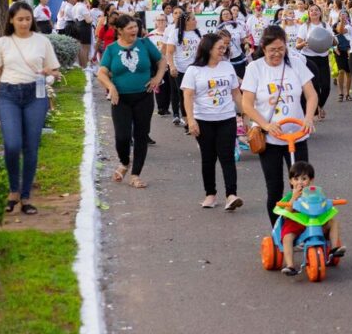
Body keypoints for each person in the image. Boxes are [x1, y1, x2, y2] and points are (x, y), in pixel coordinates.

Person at [0, 3, 60, 215]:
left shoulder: (42, 41)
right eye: (20, 19)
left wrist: (48, 73)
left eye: (28, 19)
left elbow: (55, 72)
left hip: (36, 95)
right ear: (11, 20)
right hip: (8, 96)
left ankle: (25, 197)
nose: (25, 23)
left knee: (31, 146)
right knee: (13, 144)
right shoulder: (2, 43)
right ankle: (13, 190)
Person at [242, 25, 318, 225]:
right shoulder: (255, 68)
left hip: (297, 135)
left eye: (281, 49)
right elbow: (246, 104)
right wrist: (265, 125)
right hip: (271, 140)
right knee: (274, 187)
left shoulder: (295, 64)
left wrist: (308, 118)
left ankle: (301, 228)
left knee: (301, 186)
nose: (277, 54)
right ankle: (279, 230)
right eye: (272, 50)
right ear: (263, 48)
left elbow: (311, 95)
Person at [96, 14, 166, 189]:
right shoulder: (111, 49)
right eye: (130, 28)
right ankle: (124, 162)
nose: (134, 30)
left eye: (135, 27)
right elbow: (101, 73)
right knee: (122, 136)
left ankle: (135, 174)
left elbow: (161, 60)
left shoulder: (144, 44)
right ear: (119, 31)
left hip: (144, 96)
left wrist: (157, 77)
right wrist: (111, 87)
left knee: (141, 136)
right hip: (120, 99)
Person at [182, 33, 244, 211]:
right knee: (208, 158)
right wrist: (191, 120)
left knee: (227, 157)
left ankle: (231, 195)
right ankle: (210, 194)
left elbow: (236, 94)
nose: (223, 51)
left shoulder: (227, 67)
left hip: (227, 118)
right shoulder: (194, 70)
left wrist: (245, 114)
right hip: (203, 120)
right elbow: (188, 96)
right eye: (219, 48)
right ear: (208, 49)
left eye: (224, 47)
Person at [273, 161, 344, 276]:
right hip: (295, 222)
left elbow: (323, 204)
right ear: (291, 181)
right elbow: (285, 214)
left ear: (311, 181)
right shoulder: (290, 196)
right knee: (287, 237)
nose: (300, 182)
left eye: (304, 178)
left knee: (332, 221)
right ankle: (290, 265)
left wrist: (329, 203)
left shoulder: (315, 195)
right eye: (296, 179)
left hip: (314, 221)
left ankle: (334, 249)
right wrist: (293, 199)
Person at [296, 4, 333, 120]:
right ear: (308, 13)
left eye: (316, 10)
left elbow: (333, 41)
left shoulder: (325, 26)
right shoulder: (304, 27)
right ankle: (315, 111)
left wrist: (333, 41)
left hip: (323, 57)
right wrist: (304, 43)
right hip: (309, 58)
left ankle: (319, 106)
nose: (314, 12)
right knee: (315, 86)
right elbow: (297, 46)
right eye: (311, 10)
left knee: (326, 86)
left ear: (320, 13)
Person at [145, 13, 173, 116]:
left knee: (169, 87)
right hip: (157, 64)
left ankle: (166, 107)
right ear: (155, 22)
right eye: (159, 20)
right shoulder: (151, 35)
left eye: (163, 20)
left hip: (169, 63)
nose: (161, 22)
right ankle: (161, 107)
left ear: (166, 21)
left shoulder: (170, 33)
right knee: (159, 86)